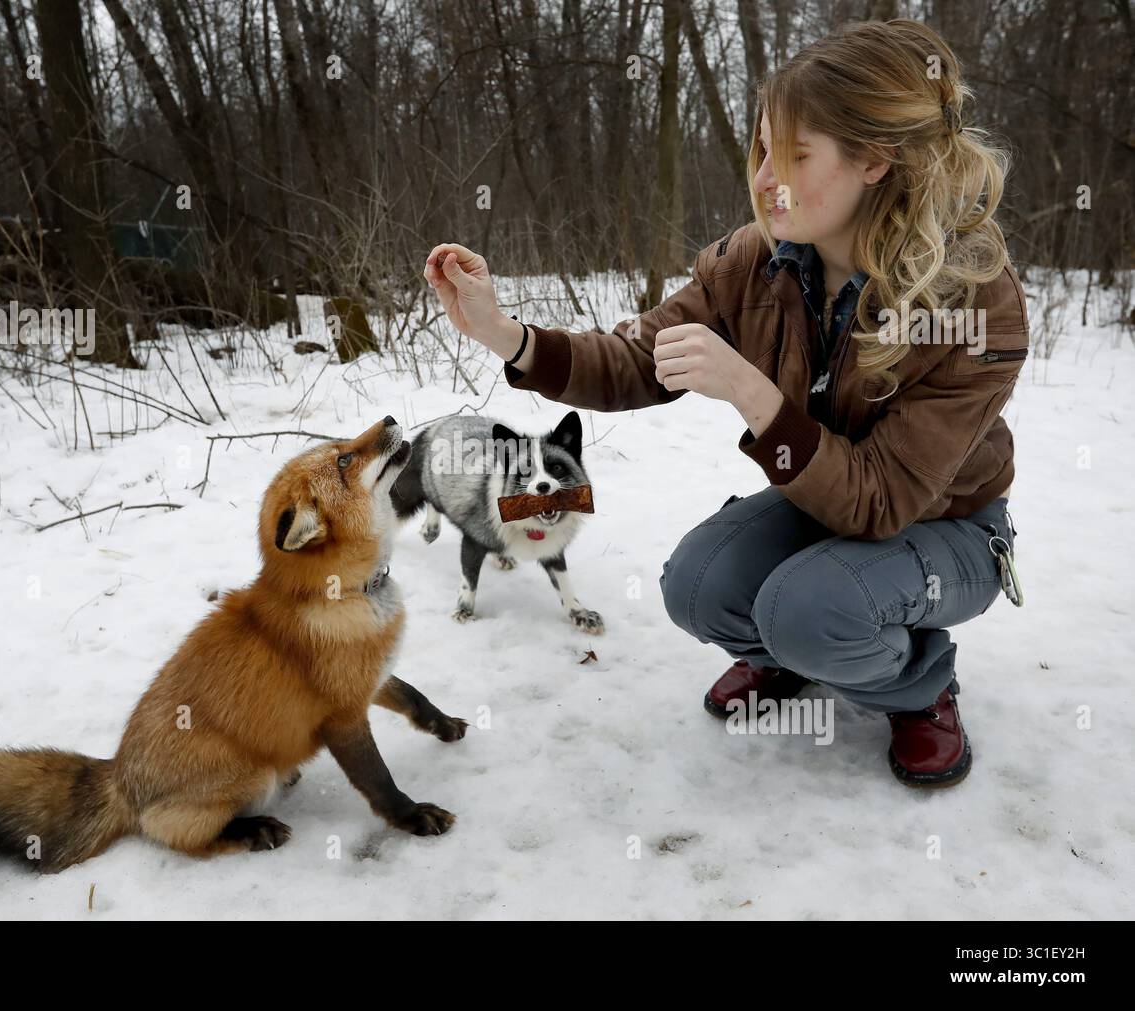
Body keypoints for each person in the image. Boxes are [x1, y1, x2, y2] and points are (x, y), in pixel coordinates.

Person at [421, 19, 1028, 788]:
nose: (769, 175)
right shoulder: (758, 262)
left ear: (876, 160)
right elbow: (638, 359)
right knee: (697, 585)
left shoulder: (972, 302)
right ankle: (793, 653)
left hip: (947, 529)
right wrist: (509, 336)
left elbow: (881, 500)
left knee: (810, 610)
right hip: (822, 503)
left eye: (798, 154)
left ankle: (918, 683)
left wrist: (752, 392)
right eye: (764, 149)